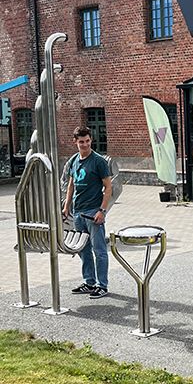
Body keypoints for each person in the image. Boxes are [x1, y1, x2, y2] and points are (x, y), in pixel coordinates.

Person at [62, 126, 112, 299]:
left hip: (93, 212)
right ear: (75, 142)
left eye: (87, 141)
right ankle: (89, 282)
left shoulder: (98, 161)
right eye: (81, 142)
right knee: (83, 250)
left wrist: (102, 211)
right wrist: (67, 206)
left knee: (99, 250)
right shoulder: (74, 160)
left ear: (91, 140)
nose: (85, 144)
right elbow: (71, 185)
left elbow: (108, 187)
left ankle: (102, 285)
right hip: (78, 212)